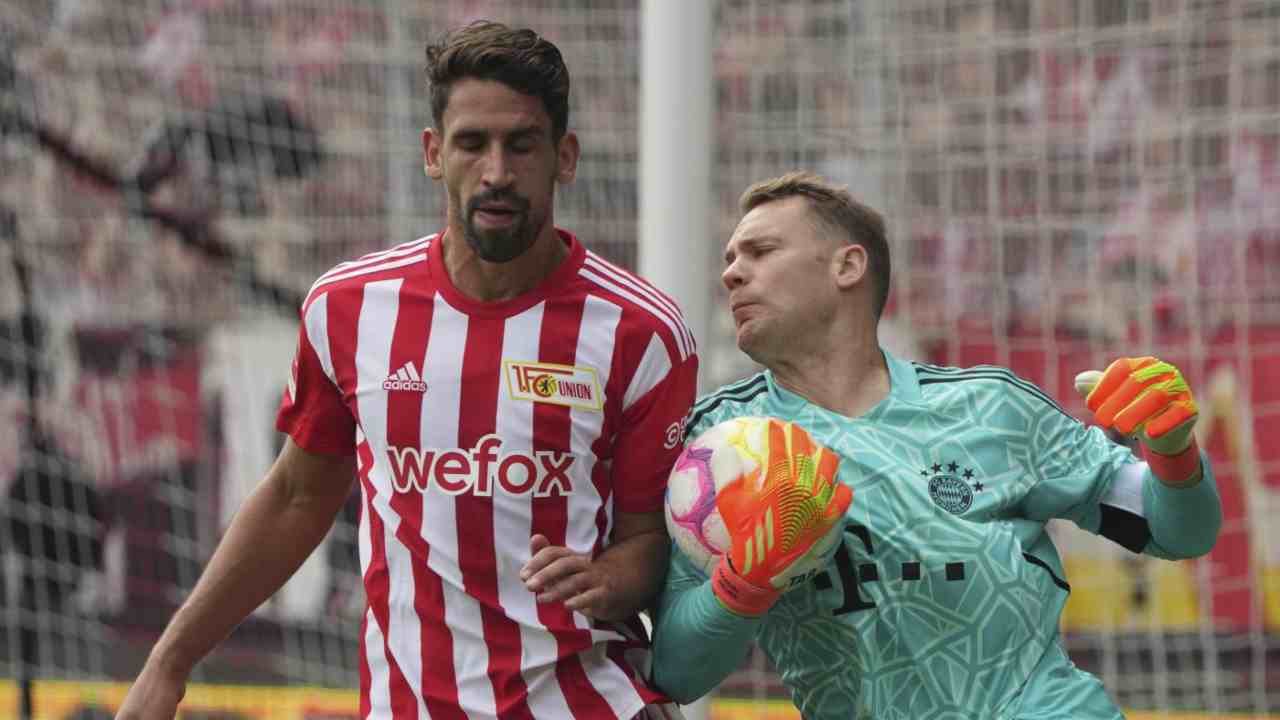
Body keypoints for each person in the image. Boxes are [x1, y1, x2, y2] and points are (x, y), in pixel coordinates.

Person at [117, 21, 696, 720]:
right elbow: (297, 497)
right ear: (432, 153)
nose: (497, 172)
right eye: (471, 143)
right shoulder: (349, 309)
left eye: (522, 144)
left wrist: (607, 577)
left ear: (564, 157)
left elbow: (651, 545)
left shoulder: (642, 333)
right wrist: (168, 663)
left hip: (588, 703)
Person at [649, 171, 1221, 719]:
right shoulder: (715, 448)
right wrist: (744, 581)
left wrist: (1171, 447)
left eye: (761, 251)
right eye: (729, 259)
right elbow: (675, 671)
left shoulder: (990, 407)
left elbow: (1179, 532)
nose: (731, 274)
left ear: (847, 266)